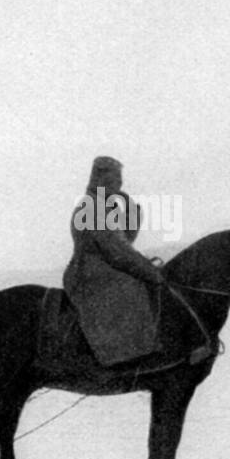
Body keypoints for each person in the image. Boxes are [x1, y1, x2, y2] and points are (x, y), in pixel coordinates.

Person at [63, 156, 168, 366]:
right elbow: (117, 251)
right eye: (114, 180)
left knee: (139, 282)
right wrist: (150, 272)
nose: (119, 185)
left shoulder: (103, 206)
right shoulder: (92, 208)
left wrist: (131, 212)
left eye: (119, 181)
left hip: (102, 267)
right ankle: (127, 357)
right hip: (89, 271)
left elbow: (124, 242)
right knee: (132, 286)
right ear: (99, 180)